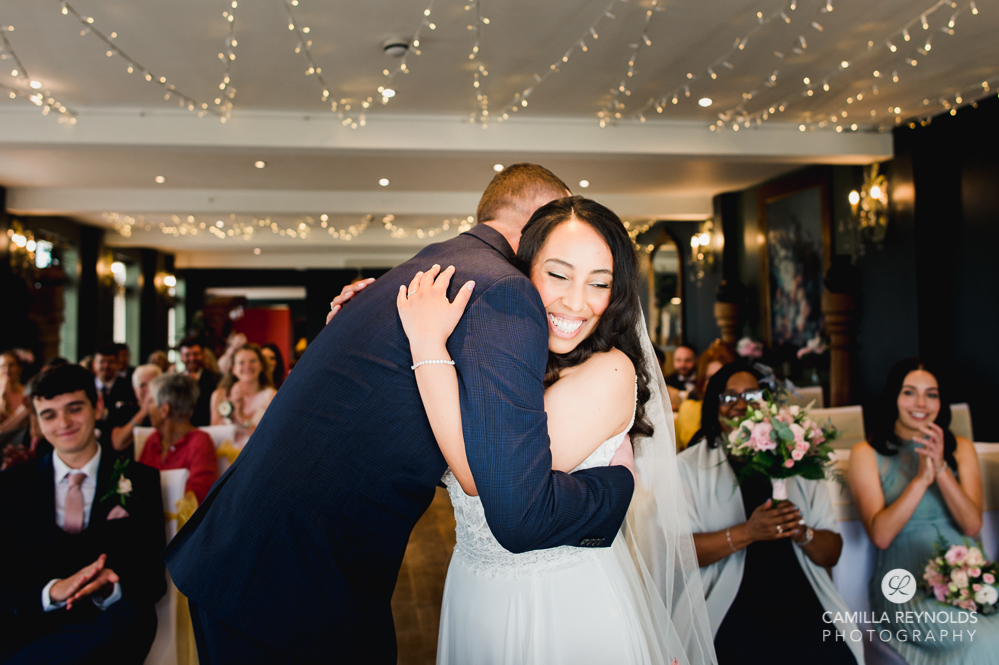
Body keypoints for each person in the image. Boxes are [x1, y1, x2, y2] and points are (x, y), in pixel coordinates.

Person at [164, 164, 638, 664]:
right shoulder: (504, 290)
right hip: (297, 583)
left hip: (246, 554)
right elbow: (508, 499)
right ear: (539, 226)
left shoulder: (422, 270)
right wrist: (617, 488)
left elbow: (409, 424)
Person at [389, 197, 715, 664]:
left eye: (598, 283)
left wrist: (426, 343)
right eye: (558, 275)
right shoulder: (507, 359)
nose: (577, 302)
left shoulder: (610, 371)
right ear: (522, 272)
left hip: (558, 600)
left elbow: (481, 478)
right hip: (474, 585)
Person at [677, 361, 862, 665]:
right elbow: (678, 554)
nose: (739, 405)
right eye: (728, 397)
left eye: (751, 396)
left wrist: (802, 532)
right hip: (733, 599)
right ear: (713, 405)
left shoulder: (796, 459)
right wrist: (747, 532)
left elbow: (832, 554)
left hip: (799, 591)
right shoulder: (687, 468)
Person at [0, 364, 166, 663]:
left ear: (97, 406)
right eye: (49, 414)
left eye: (74, 408)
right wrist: (52, 592)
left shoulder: (140, 480)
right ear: (37, 421)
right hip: (34, 624)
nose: (63, 422)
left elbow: (152, 579)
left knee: (133, 615)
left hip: (105, 624)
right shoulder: (10, 486)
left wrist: (109, 587)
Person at [849, 358, 997, 664]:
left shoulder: (962, 449)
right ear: (893, 397)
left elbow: (971, 526)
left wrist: (941, 469)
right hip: (904, 583)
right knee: (987, 641)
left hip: (969, 578)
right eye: (909, 392)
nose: (921, 403)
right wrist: (920, 480)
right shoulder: (866, 453)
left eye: (931, 394)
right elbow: (881, 536)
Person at [139, 374, 218, 505]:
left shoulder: (200, 442)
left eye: (151, 401)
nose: (147, 409)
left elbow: (199, 497)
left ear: (165, 409)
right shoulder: (153, 440)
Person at [209, 343, 276, 465]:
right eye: (241, 362)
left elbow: (270, 439)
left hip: (257, 462)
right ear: (233, 368)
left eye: (253, 361)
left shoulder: (272, 396)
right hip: (224, 462)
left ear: (261, 365)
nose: (247, 366)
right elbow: (215, 434)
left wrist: (241, 417)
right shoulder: (219, 395)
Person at [675, 340, 736, 450]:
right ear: (703, 382)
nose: (716, 383)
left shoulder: (737, 409)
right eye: (710, 378)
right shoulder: (691, 409)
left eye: (721, 377)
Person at [110, 364, 163, 453]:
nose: (148, 389)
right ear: (135, 390)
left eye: (152, 384)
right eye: (142, 385)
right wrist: (143, 412)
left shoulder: (169, 411)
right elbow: (118, 443)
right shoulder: (124, 410)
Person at [179, 337, 218, 427]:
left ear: (203, 354)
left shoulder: (216, 379)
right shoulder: (176, 380)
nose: (192, 358)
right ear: (181, 356)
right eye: (187, 355)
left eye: (196, 354)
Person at [0, 351, 28, 433]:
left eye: (11, 365)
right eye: (2, 366)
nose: (7, 370)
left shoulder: (26, 391)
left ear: (19, 368)